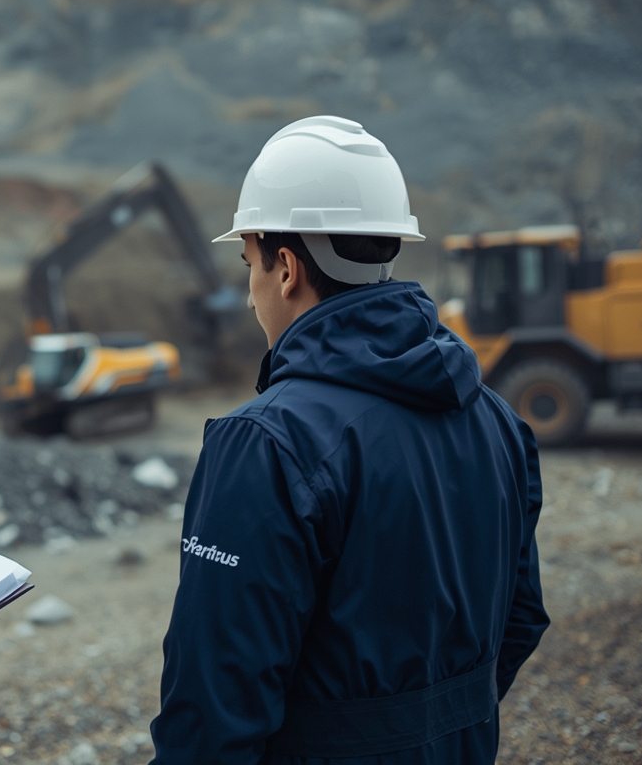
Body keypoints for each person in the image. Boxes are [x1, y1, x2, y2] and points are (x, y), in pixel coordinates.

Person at [149, 116, 549, 764]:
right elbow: (521, 617)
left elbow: (214, 707)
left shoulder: (267, 444)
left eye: (249, 263)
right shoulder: (497, 420)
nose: (250, 297)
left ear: (284, 268)